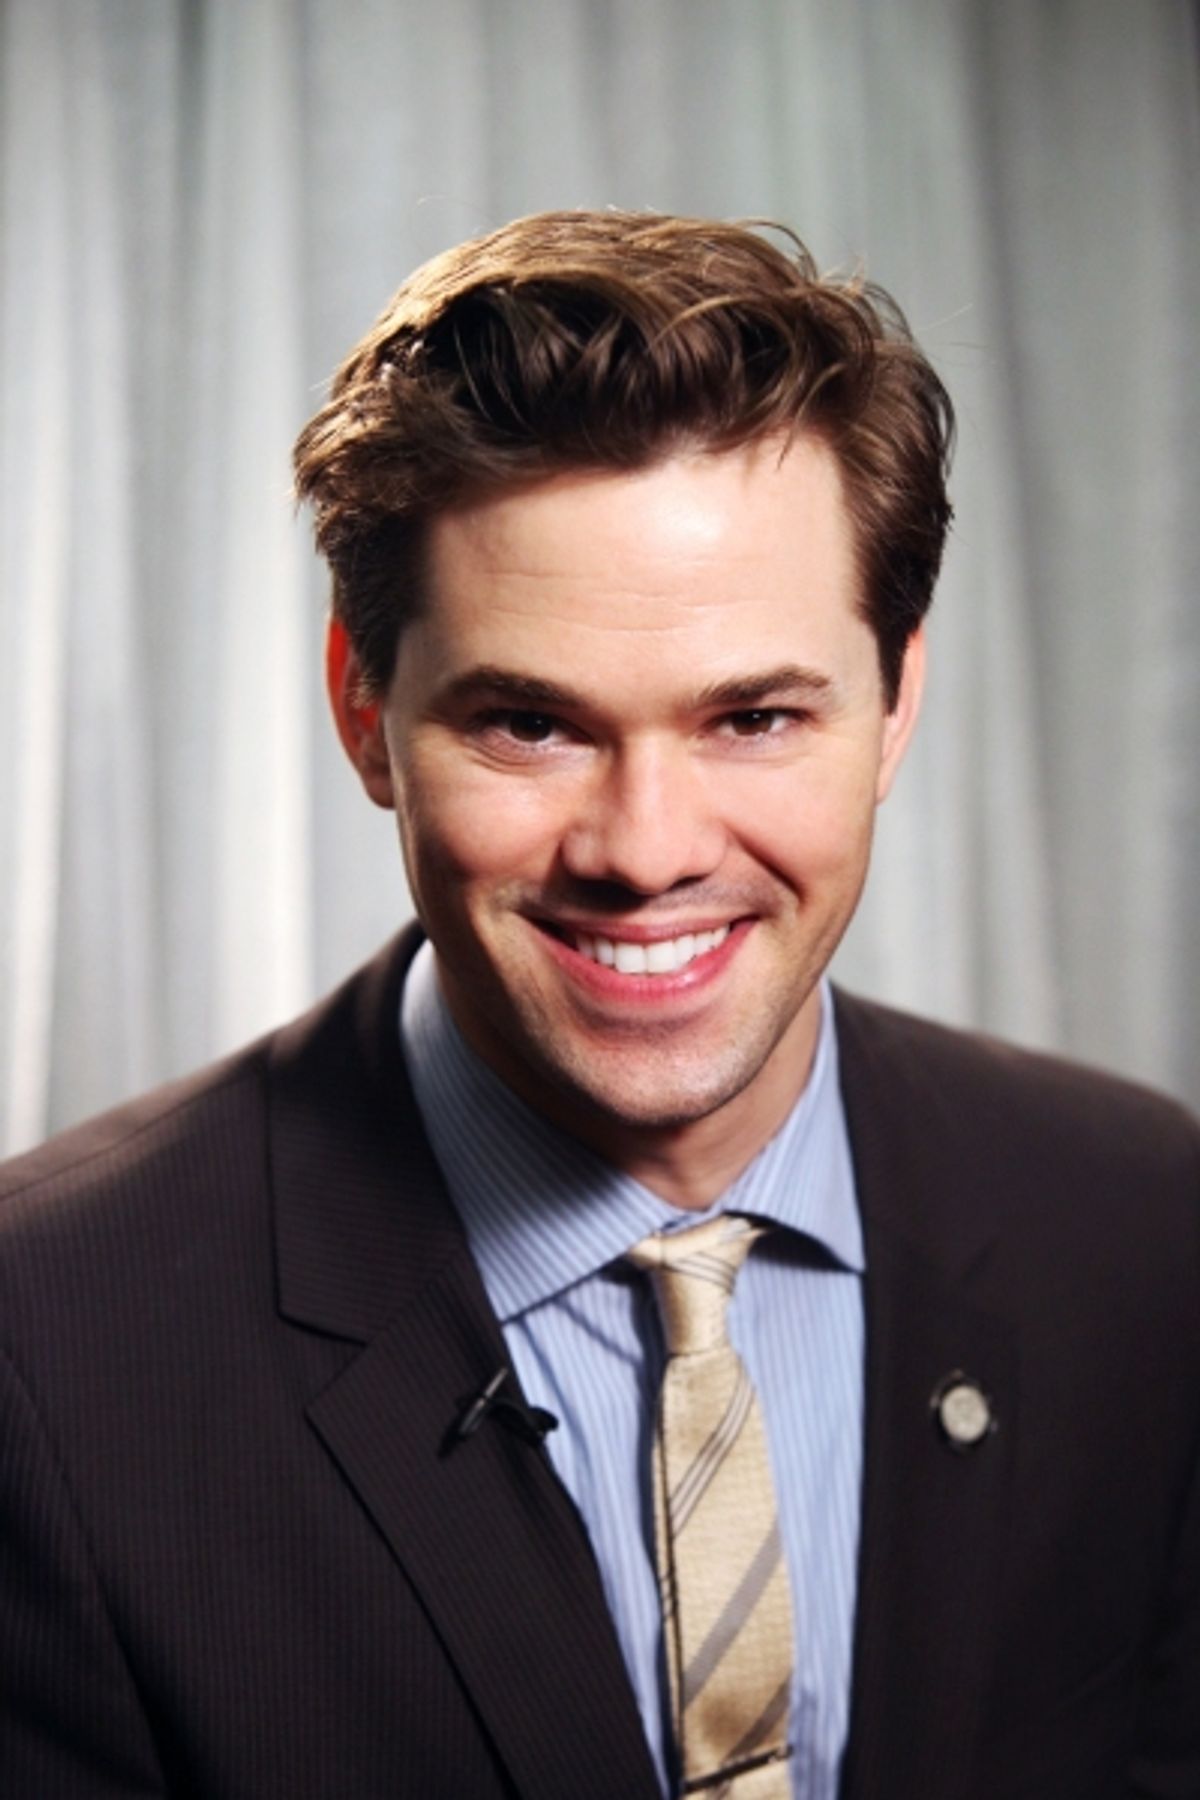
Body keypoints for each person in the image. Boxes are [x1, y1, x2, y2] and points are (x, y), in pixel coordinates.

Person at [1, 210, 1197, 1800]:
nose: (646, 851)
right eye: (530, 724)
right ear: (364, 710)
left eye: (754, 717)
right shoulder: (47, 1345)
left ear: (897, 701)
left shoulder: (1142, 1223)